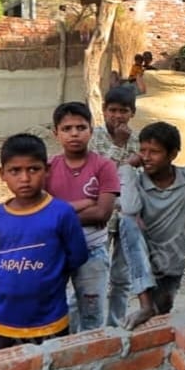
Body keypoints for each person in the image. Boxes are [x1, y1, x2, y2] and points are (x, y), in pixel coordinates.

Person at [115, 121, 185, 329]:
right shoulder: (136, 181)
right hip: (144, 261)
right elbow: (130, 209)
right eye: (143, 151)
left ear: (173, 154)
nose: (146, 157)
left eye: (154, 152)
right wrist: (127, 167)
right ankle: (144, 304)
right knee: (127, 221)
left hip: (171, 261)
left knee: (161, 317)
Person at [0, 134, 89, 347]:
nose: (24, 178)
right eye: (15, 171)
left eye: (33, 169)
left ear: (47, 170)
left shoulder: (61, 213)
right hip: (6, 317)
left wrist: (50, 277)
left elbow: (77, 256)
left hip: (50, 316)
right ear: (2, 174)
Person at [46, 102, 119, 332]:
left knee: (92, 314)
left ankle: (92, 362)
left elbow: (103, 212)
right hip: (55, 251)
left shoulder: (104, 166)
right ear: (55, 133)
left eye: (81, 127)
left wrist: (60, 212)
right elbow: (42, 214)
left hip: (92, 252)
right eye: (67, 128)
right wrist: (84, 204)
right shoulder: (48, 168)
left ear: (91, 129)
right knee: (53, 312)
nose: (74, 133)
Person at [89, 85, 143, 327]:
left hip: (127, 218)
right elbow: (100, 175)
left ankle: (115, 325)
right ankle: (89, 326)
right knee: (93, 275)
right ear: (103, 110)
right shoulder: (93, 137)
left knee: (121, 278)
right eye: (112, 110)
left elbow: (138, 180)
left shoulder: (139, 142)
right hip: (99, 217)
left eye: (123, 111)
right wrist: (119, 146)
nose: (117, 116)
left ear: (132, 112)